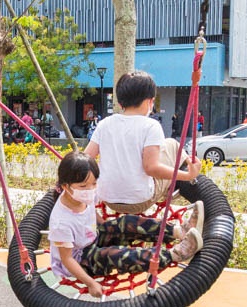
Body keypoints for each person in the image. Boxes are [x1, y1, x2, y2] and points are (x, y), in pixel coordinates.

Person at [48, 152, 202, 299]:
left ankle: (178, 231)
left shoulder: (84, 193)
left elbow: (90, 211)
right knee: (114, 255)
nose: (89, 189)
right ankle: (174, 254)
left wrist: (111, 228)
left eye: (93, 184)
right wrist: (90, 283)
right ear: (66, 187)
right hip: (80, 261)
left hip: (92, 238)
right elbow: (67, 260)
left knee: (126, 222)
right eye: (83, 186)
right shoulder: (61, 222)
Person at [85, 71, 201, 208]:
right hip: (141, 201)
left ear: (120, 102)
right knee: (173, 145)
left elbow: (86, 158)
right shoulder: (151, 126)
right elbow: (151, 168)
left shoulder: (105, 123)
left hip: (108, 199)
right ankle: (186, 178)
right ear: (149, 101)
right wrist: (188, 176)